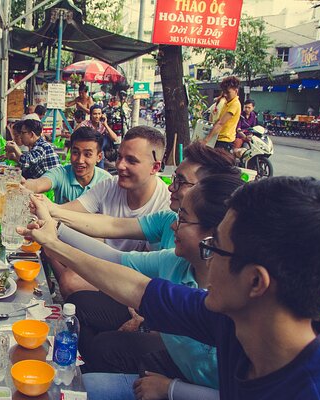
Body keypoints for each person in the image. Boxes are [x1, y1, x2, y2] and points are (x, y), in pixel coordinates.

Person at [19, 176, 320, 400]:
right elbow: (137, 287)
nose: (206, 258)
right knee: (75, 396)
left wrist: (172, 390)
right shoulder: (235, 320)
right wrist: (51, 241)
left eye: (216, 249)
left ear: (256, 283)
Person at [55, 174, 245, 400]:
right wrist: (54, 232)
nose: (174, 225)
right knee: (73, 395)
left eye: (184, 218)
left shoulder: (236, 308)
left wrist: (172, 389)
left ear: (215, 237)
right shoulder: (177, 265)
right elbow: (118, 263)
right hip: (176, 385)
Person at [42, 125, 171, 298]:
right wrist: (42, 206)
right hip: (107, 262)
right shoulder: (110, 185)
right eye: (119, 157)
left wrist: (52, 219)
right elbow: (77, 214)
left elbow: (145, 269)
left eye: (131, 160)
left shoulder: (166, 208)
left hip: (137, 283)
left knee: (70, 279)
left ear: (155, 168)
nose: (120, 165)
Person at [45, 142, 238, 251]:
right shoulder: (167, 219)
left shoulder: (200, 260)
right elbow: (111, 226)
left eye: (181, 181)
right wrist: (53, 218)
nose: (171, 187)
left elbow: (132, 270)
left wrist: (54, 233)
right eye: (119, 157)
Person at [23, 126, 112, 204]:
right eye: (75, 152)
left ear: (99, 157)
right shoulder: (60, 173)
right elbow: (38, 184)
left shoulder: (107, 182)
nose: (80, 160)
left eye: (87, 154)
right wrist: (23, 184)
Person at [204, 76, 241, 151]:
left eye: (228, 92)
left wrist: (206, 140)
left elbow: (221, 123)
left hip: (225, 141)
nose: (225, 95)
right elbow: (218, 120)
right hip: (218, 138)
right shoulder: (227, 102)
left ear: (236, 91)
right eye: (224, 92)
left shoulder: (235, 104)